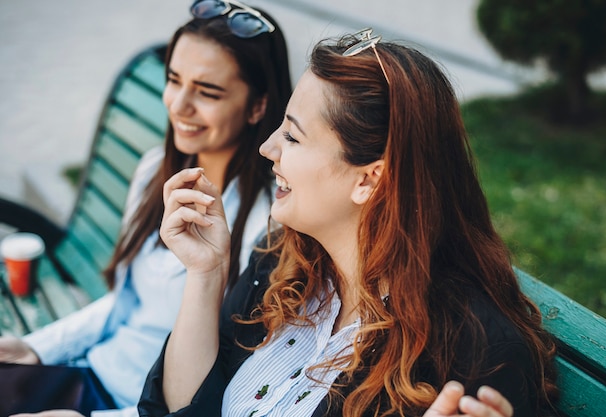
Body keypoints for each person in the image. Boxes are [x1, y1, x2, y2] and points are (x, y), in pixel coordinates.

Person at [138, 29, 559, 417]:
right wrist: (207, 272)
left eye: (292, 136)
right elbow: (177, 409)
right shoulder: (280, 261)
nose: (268, 148)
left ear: (368, 179)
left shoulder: (469, 356)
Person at [0, 1, 292, 415]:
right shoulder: (157, 169)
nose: (179, 105)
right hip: (85, 377)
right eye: (174, 80)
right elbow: (124, 303)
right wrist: (34, 347)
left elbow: (218, 389)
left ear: (259, 106)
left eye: (208, 91)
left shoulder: (265, 227)